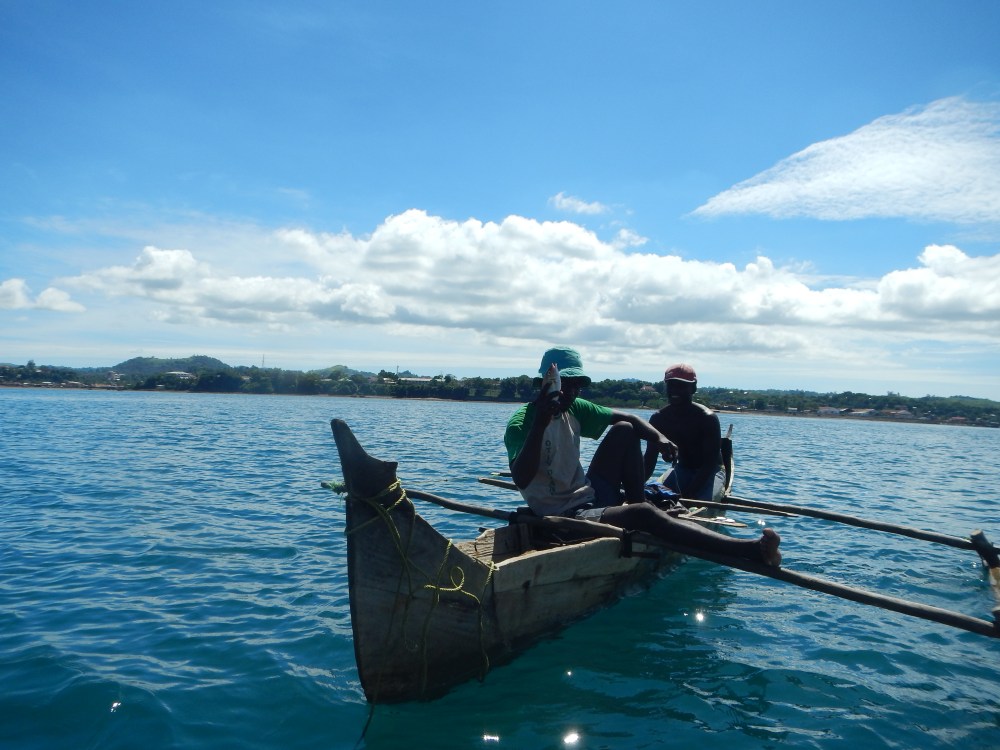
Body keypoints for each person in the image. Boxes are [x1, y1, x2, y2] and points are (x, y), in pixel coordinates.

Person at [504, 347, 781, 566]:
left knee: (625, 430)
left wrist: (659, 439)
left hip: (586, 494)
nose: (571, 393)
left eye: (578, 386)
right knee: (644, 514)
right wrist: (541, 423)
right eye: (565, 385)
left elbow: (631, 419)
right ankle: (749, 550)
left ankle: (636, 502)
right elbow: (522, 479)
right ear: (546, 384)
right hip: (563, 513)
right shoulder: (522, 423)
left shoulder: (575, 407)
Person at [645, 363, 726, 501]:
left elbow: (709, 464)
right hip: (681, 469)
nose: (675, 390)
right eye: (671, 385)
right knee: (652, 497)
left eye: (682, 386)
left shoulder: (707, 418)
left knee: (696, 503)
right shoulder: (658, 419)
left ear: (693, 388)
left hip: (711, 472)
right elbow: (649, 459)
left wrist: (688, 495)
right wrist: (633, 487)